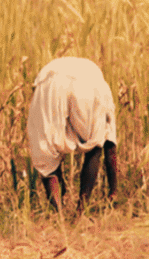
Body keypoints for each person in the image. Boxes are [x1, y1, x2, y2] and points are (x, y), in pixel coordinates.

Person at [27, 57, 118, 212]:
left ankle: (58, 214)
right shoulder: (103, 89)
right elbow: (109, 146)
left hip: (49, 83)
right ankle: (81, 210)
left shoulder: (52, 72)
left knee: (46, 152)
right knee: (95, 146)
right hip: (90, 84)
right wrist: (113, 190)